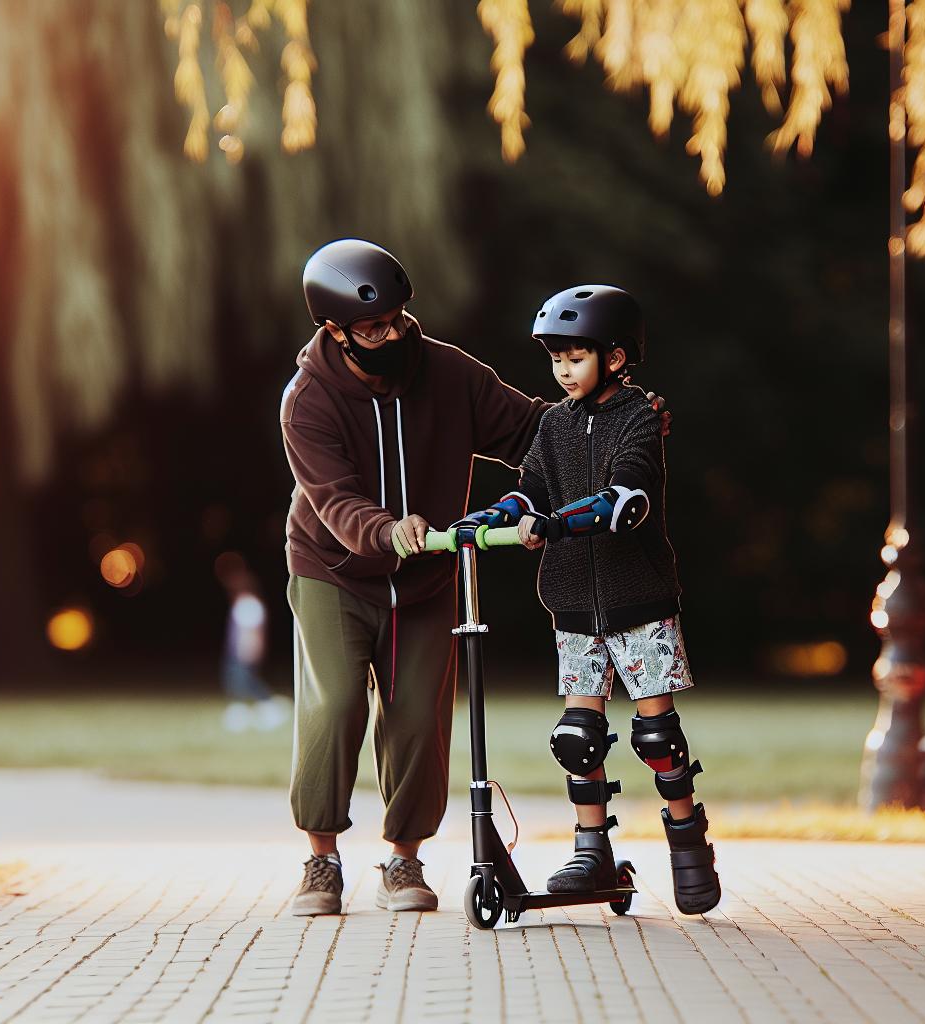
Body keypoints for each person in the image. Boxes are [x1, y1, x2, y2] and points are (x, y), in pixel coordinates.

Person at [279, 239, 667, 917]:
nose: (393, 333)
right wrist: (385, 528)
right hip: (335, 571)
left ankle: (403, 858)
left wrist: (620, 416)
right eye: (374, 327)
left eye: (399, 318)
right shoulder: (307, 400)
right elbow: (333, 501)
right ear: (334, 331)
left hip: (428, 576)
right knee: (336, 704)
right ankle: (322, 859)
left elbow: (537, 432)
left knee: (417, 717)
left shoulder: (450, 373)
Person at [467, 284, 722, 915]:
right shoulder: (552, 424)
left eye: (574, 357)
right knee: (578, 737)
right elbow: (528, 489)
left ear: (615, 357)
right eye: (555, 358)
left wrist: (555, 522)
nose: (561, 369)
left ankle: (689, 844)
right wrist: (498, 515)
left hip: (639, 601)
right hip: (575, 603)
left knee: (656, 735)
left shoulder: (639, 418)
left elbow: (625, 501)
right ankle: (592, 852)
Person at [218, 554, 287, 732]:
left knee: (248, 681)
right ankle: (240, 712)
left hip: (244, 652)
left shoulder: (250, 603)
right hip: (236, 651)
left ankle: (270, 707)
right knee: (238, 682)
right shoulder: (241, 603)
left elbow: (253, 632)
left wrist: (250, 651)